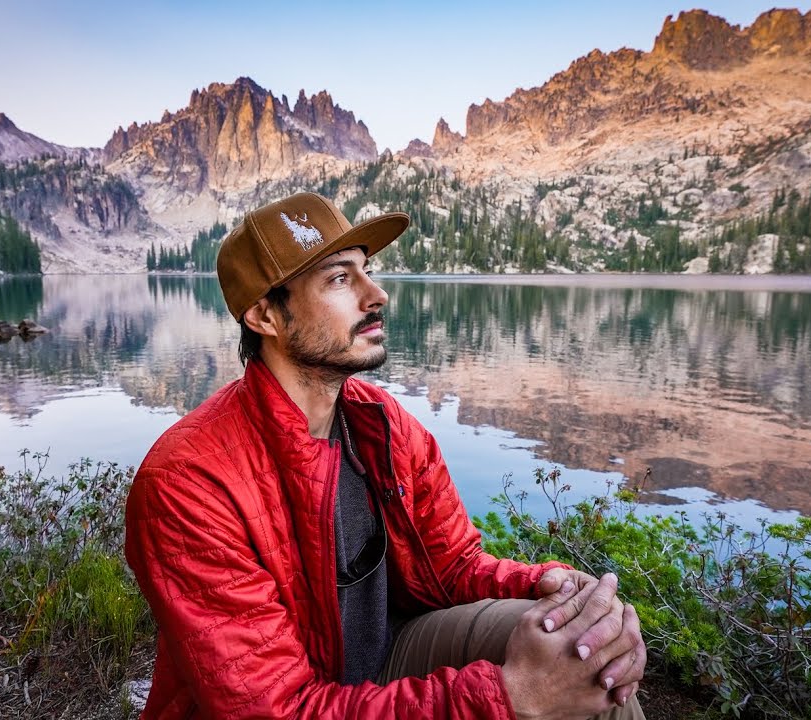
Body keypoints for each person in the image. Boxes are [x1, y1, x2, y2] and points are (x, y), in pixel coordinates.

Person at [124, 191, 647, 719]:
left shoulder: (382, 423)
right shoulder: (187, 483)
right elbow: (275, 709)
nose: (377, 296)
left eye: (365, 271)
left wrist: (543, 583)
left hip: (390, 656)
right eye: (339, 279)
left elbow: (453, 565)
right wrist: (509, 698)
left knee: (588, 657)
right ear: (265, 316)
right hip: (297, 703)